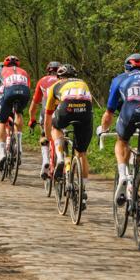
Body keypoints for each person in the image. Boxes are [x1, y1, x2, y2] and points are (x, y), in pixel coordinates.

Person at [98, 53, 140, 205]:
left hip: (131, 112)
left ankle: (123, 176)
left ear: (126, 67)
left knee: (122, 140)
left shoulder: (119, 79)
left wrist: (103, 129)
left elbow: (109, 112)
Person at [44, 64, 92, 209]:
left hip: (66, 108)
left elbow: (48, 115)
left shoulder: (56, 86)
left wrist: (49, 136)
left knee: (56, 127)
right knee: (82, 153)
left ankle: (59, 157)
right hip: (85, 111)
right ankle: (83, 190)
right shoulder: (83, 83)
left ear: (59, 77)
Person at [0, 56, 30, 170]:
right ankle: (19, 145)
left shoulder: (1, 71)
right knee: (18, 114)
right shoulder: (24, 72)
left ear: (5, 64)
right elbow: (28, 86)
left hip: (8, 94)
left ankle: (2, 154)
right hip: (24, 94)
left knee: (2, 121)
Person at [28, 61, 61, 178]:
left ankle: (46, 160)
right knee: (59, 133)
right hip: (62, 111)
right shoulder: (63, 81)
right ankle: (61, 153)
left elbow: (34, 104)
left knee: (44, 134)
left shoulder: (42, 81)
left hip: (46, 111)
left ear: (48, 70)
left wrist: (31, 119)